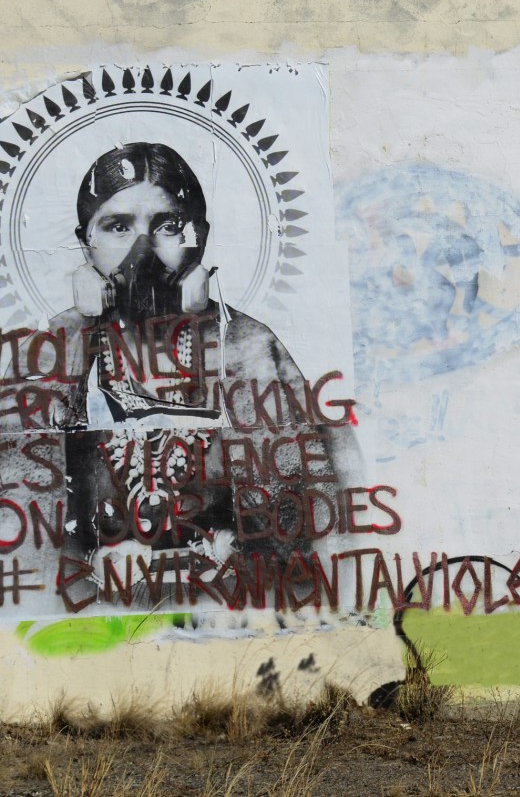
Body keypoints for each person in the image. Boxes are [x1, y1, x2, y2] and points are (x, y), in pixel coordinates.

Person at [3, 142, 358, 608]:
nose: (142, 251)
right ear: (85, 239)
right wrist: (77, 329)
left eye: (168, 226)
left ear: (201, 237)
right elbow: (22, 531)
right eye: (116, 226)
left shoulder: (249, 345)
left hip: (232, 616)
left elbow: (300, 526)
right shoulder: (52, 350)